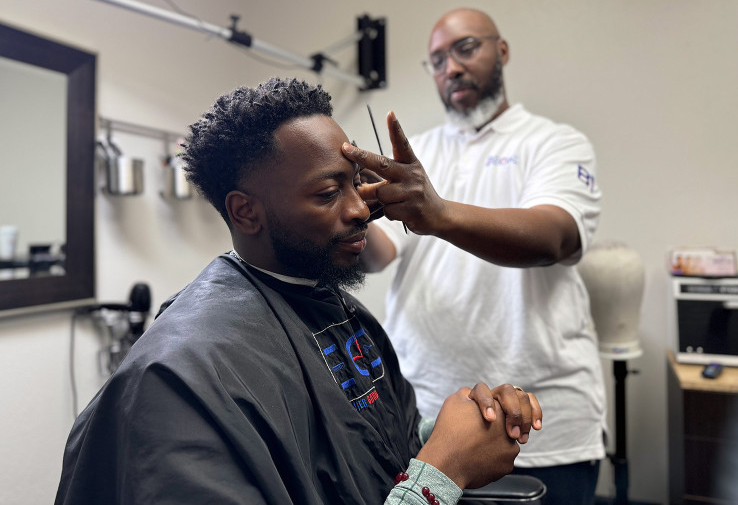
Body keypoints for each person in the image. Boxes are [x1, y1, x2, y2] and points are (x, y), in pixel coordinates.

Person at [54, 78, 546, 505]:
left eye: (357, 184)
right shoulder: (176, 378)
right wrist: (443, 472)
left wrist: (461, 431)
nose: (360, 210)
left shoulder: (332, 307)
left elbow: (369, 451)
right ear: (246, 212)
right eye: (329, 193)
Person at [347, 8, 606, 504]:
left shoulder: (554, 143)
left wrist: (437, 213)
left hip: (541, 431)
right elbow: (380, 256)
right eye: (438, 59)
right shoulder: (418, 153)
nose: (451, 67)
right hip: (427, 423)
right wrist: (349, 210)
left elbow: (553, 238)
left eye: (466, 48)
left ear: (501, 51)